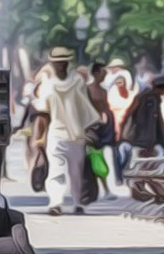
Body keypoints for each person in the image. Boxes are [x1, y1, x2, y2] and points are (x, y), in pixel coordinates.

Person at [40, 47, 100, 216]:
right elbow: (87, 108)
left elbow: (42, 109)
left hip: (62, 133)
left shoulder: (51, 84)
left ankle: (68, 202)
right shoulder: (77, 82)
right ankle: (60, 202)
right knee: (66, 170)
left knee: (70, 171)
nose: (60, 65)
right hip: (72, 133)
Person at [85, 63, 115, 199]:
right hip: (89, 129)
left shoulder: (103, 91)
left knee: (97, 158)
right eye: (103, 72)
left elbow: (106, 108)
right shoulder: (87, 89)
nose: (105, 75)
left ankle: (103, 189)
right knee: (93, 159)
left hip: (101, 129)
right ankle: (100, 189)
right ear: (96, 73)